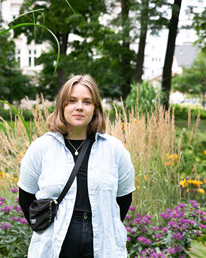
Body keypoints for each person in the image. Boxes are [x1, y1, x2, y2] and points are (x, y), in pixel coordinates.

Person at [18, 74, 135, 258]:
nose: (79, 107)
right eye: (72, 101)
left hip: (102, 245)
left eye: (87, 102)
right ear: (62, 106)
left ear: (95, 109)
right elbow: (25, 197)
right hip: (54, 244)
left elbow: (124, 198)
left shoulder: (114, 150)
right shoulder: (41, 148)